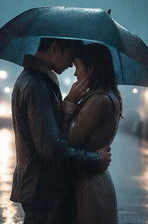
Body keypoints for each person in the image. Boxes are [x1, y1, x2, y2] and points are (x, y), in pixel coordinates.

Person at [10, 38, 112, 224]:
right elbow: (52, 149)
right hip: (45, 188)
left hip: (39, 186)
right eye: (70, 56)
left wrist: (67, 103)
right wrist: (95, 159)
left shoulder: (35, 80)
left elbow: (46, 131)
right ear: (55, 48)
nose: (71, 64)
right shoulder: (37, 85)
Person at [62, 43, 122, 224]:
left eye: (77, 67)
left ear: (91, 69)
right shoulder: (107, 95)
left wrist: (69, 102)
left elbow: (69, 138)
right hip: (95, 182)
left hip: (89, 189)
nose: (74, 73)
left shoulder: (98, 100)